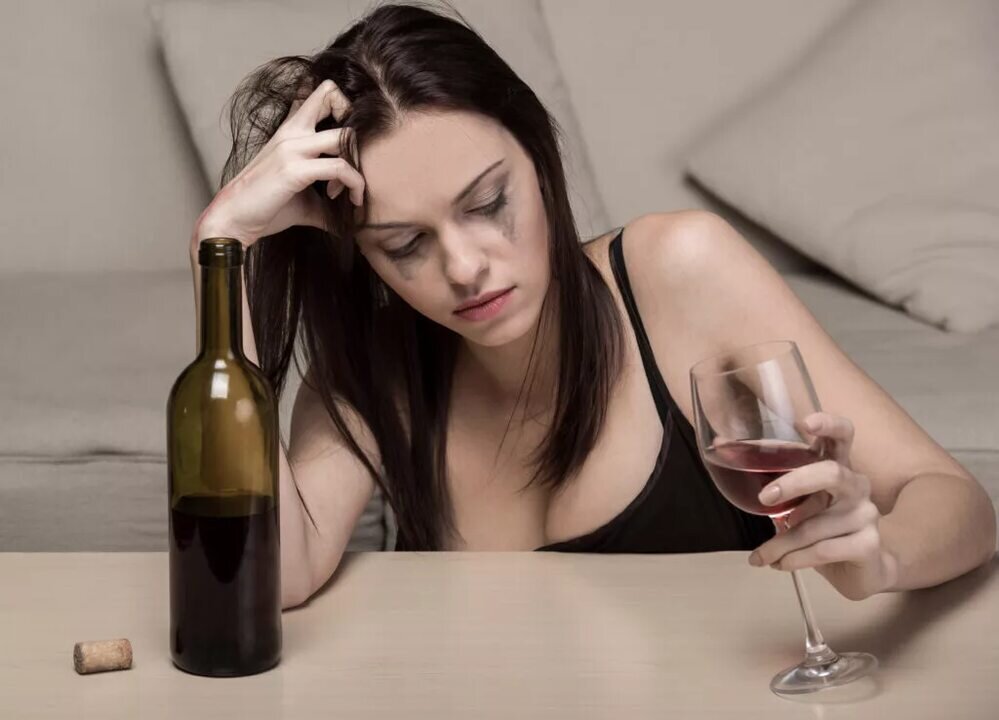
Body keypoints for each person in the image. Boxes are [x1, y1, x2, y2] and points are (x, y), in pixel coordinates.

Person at [188, 2, 996, 609]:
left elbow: (951, 497)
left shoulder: (677, 269)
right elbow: (271, 581)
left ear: (538, 159)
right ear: (361, 255)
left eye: (487, 203)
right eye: (404, 245)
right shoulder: (369, 370)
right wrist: (220, 245)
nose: (465, 267)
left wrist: (879, 560)